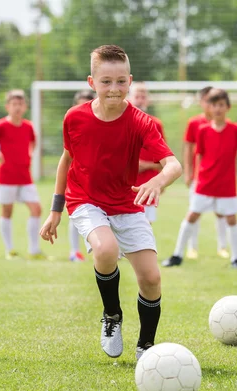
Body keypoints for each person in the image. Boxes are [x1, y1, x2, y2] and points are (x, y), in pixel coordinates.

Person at [39, 45, 182, 361]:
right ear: (92, 82)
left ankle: (146, 345)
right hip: (85, 200)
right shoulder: (74, 118)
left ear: (130, 81)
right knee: (106, 250)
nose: (114, 89)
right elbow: (66, 161)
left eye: (120, 81)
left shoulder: (142, 122)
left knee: (152, 278)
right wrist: (54, 211)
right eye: (106, 82)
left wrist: (157, 181)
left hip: (127, 204)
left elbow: (174, 165)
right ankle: (112, 315)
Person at [162, 88, 237, 268]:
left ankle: (236, 259)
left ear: (228, 107)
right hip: (205, 184)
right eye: (214, 105)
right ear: (209, 107)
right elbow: (198, 154)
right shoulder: (202, 130)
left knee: (231, 219)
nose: (217, 109)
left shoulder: (236, 130)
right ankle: (177, 255)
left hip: (226, 185)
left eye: (221, 105)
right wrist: (196, 176)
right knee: (192, 215)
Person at [0, 89, 47, 260]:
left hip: (25, 176)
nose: (17, 108)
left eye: (21, 104)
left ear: (25, 106)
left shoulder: (28, 126)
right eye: (14, 104)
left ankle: (34, 250)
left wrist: (30, 153)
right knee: (7, 210)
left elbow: (33, 141)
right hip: (6, 176)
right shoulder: (1, 125)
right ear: (8, 106)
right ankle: (10, 250)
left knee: (36, 209)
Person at [182, 86, 231, 260]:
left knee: (222, 212)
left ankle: (222, 246)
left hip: (219, 178)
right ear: (203, 102)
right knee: (194, 212)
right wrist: (188, 172)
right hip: (200, 177)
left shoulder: (224, 123)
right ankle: (192, 248)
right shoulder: (195, 123)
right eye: (208, 101)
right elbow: (188, 149)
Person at [129, 81, 166, 224]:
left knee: (145, 226)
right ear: (130, 98)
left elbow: (163, 157)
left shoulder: (156, 124)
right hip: (126, 185)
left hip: (149, 183)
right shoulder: (122, 122)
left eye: (143, 96)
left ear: (148, 100)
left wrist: (160, 180)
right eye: (137, 96)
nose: (140, 99)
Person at [67, 89, 96, 262]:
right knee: (75, 215)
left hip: (98, 179)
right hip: (77, 179)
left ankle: (110, 250)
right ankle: (74, 251)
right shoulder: (71, 124)